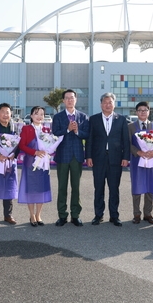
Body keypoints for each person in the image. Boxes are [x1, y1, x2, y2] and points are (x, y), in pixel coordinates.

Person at [86, 93, 130, 226]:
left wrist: (125, 157)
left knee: (114, 188)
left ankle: (114, 215)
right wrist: (88, 156)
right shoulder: (93, 119)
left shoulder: (121, 120)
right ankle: (98, 215)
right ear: (101, 104)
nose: (107, 104)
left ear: (114, 104)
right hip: (98, 158)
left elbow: (125, 141)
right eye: (105, 102)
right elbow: (89, 140)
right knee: (98, 188)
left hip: (116, 159)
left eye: (110, 102)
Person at [51, 89, 89, 227]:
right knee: (62, 187)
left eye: (72, 98)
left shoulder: (83, 116)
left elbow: (86, 134)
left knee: (76, 187)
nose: (69, 100)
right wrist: (67, 129)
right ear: (63, 101)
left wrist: (77, 131)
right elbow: (54, 133)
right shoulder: (58, 117)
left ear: (76, 99)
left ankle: (75, 215)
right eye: (67, 98)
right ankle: (62, 215)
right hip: (62, 156)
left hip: (77, 156)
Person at [18, 106, 52, 226]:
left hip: (43, 164)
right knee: (31, 189)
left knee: (41, 189)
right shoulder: (26, 129)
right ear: (31, 116)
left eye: (42, 114)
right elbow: (21, 145)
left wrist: (48, 152)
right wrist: (35, 152)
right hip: (30, 163)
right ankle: (32, 215)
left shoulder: (46, 130)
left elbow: (50, 145)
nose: (39, 116)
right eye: (36, 114)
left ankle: (38, 215)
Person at [128, 101, 153, 224]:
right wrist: (138, 152)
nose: (142, 112)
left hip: (151, 160)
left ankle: (148, 213)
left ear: (149, 112)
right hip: (137, 160)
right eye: (140, 110)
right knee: (137, 186)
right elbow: (127, 143)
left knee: (150, 186)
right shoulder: (130, 127)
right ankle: (136, 213)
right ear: (136, 112)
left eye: (145, 110)